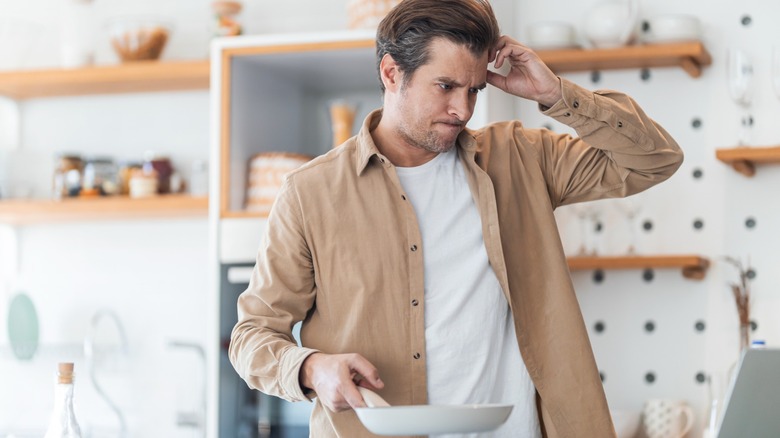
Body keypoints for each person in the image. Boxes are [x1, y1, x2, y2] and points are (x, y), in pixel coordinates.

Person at [229, 0, 683, 436]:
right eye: (445, 86)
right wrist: (310, 368)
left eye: (474, 90)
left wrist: (556, 94)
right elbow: (251, 337)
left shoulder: (521, 159)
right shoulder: (311, 193)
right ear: (392, 73)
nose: (462, 110)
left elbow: (655, 159)